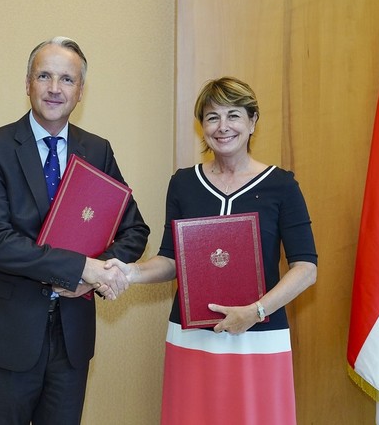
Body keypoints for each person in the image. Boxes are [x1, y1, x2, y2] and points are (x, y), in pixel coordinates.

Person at [104, 76, 317, 425]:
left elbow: (306, 268)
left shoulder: (282, 186)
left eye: (234, 115)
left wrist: (256, 311)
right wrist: (131, 272)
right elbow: (171, 258)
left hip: (259, 336)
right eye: (212, 117)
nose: (223, 127)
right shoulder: (184, 183)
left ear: (252, 122)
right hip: (193, 337)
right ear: (202, 126)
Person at [0, 36, 149, 425]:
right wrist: (81, 267)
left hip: (71, 339)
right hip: (6, 337)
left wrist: (94, 275)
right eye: (44, 75)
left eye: (66, 79)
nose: (54, 88)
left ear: (80, 91)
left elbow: (134, 229)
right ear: (27, 83)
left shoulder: (97, 150)